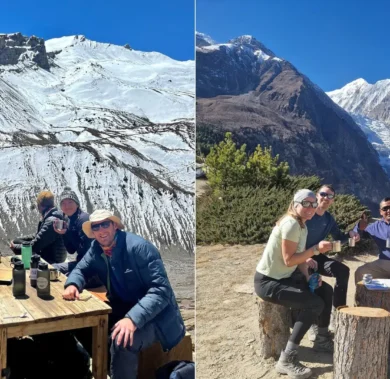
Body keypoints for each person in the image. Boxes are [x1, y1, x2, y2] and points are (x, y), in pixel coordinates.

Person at [62, 209, 185, 379]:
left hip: (158, 318)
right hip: (123, 307)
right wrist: (73, 284)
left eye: (105, 224)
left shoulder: (140, 248)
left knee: (122, 340)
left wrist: (132, 319)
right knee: (83, 323)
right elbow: (82, 269)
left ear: (114, 226)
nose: (101, 230)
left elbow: (161, 291)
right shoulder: (96, 248)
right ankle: (108, 369)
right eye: (96, 227)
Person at [254, 189, 334, 379]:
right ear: (295, 204)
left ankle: (321, 338)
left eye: (313, 204)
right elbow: (289, 260)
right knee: (314, 304)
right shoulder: (291, 224)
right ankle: (287, 359)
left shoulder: (302, 225)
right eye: (305, 203)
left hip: (284, 277)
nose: (310, 208)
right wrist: (315, 250)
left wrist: (308, 277)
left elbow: (298, 260)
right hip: (269, 282)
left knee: (325, 290)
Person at [305, 185, 359, 340]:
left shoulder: (328, 219)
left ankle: (338, 314)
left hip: (317, 256)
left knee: (343, 270)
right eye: (323, 194)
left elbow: (338, 237)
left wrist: (351, 235)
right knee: (313, 280)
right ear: (316, 195)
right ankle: (313, 324)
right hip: (300, 256)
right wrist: (304, 257)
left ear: (333, 200)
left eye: (330, 196)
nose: (326, 198)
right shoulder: (307, 214)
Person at [10, 191, 67, 264]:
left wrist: (15, 247)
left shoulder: (51, 221)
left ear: (40, 205)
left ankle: (27, 268)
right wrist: (18, 240)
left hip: (52, 259)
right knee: (17, 241)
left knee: (16, 255)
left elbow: (36, 245)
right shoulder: (52, 216)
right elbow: (39, 235)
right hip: (52, 254)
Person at [52, 187, 91, 275]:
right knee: (51, 269)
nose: (67, 206)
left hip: (91, 266)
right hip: (80, 262)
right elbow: (71, 250)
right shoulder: (69, 220)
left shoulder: (83, 220)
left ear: (77, 204)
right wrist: (63, 234)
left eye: (70, 202)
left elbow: (85, 250)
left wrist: (67, 233)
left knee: (63, 278)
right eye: (63, 203)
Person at [354, 197, 390, 283]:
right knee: (360, 272)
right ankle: (361, 296)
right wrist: (359, 227)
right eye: (385, 208)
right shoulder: (375, 227)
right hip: (384, 263)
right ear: (380, 212)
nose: (388, 211)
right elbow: (359, 233)